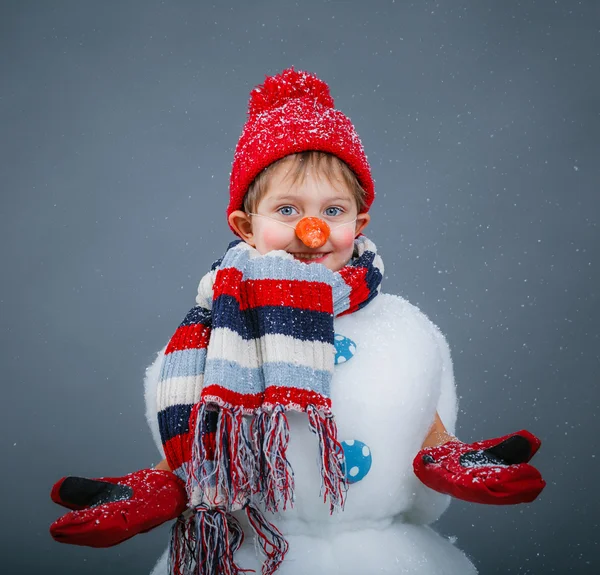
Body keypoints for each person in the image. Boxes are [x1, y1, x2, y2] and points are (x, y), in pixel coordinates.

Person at [50, 68, 545, 575]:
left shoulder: (405, 332)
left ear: (359, 223)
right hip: (255, 556)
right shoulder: (216, 335)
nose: (313, 232)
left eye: (333, 210)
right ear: (246, 226)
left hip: (385, 559)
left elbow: (426, 428)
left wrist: (451, 461)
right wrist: (158, 487)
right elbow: (200, 442)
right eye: (287, 209)